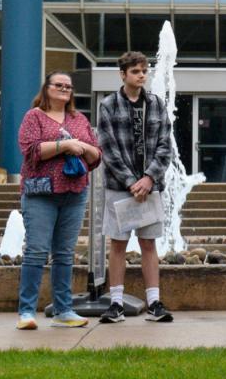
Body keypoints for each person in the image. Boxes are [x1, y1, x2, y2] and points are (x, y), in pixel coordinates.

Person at [15, 72, 102, 329]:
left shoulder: (79, 119)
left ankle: (63, 310)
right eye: (59, 85)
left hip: (74, 194)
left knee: (64, 254)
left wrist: (82, 147)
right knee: (36, 251)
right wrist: (66, 145)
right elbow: (31, 151)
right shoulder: (34, 116)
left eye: (68, 86)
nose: (64, 89)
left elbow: (96, 155)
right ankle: (27, 312)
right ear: (47, 88)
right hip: (41, 194)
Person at [96, 51, 174, 324]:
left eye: (144, 71)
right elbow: (108, 148)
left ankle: (154, 303)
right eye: (135, 71)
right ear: (123, 74)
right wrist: (131, 181)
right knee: (117, 244)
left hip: (150, 188)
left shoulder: (156, 104)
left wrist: (149, 178)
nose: (141, 75)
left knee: (148, 244)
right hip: (120, 187)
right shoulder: (108, 105)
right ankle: (115, 303)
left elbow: (166, 145)